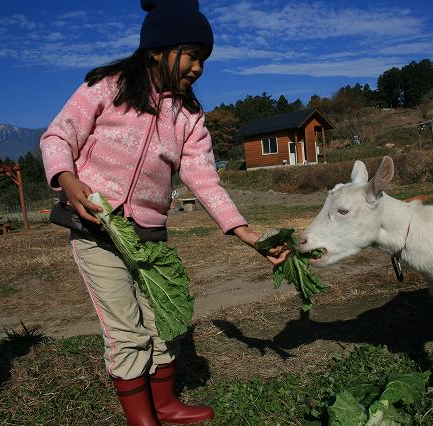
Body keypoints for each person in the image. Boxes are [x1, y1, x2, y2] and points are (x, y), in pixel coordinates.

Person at [40, 0, 288, 424]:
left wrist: (243, 231)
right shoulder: (107, 87)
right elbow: (58, 135)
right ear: (157, 48)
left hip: (150, 236)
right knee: (126, 329)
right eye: (193, 55)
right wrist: (65, 178)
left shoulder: (188, 116)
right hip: (96, 228)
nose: (198, 68)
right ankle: (143, 419)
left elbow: (204, 179)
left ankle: (167, 404)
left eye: (204, 60)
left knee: (162, 324)